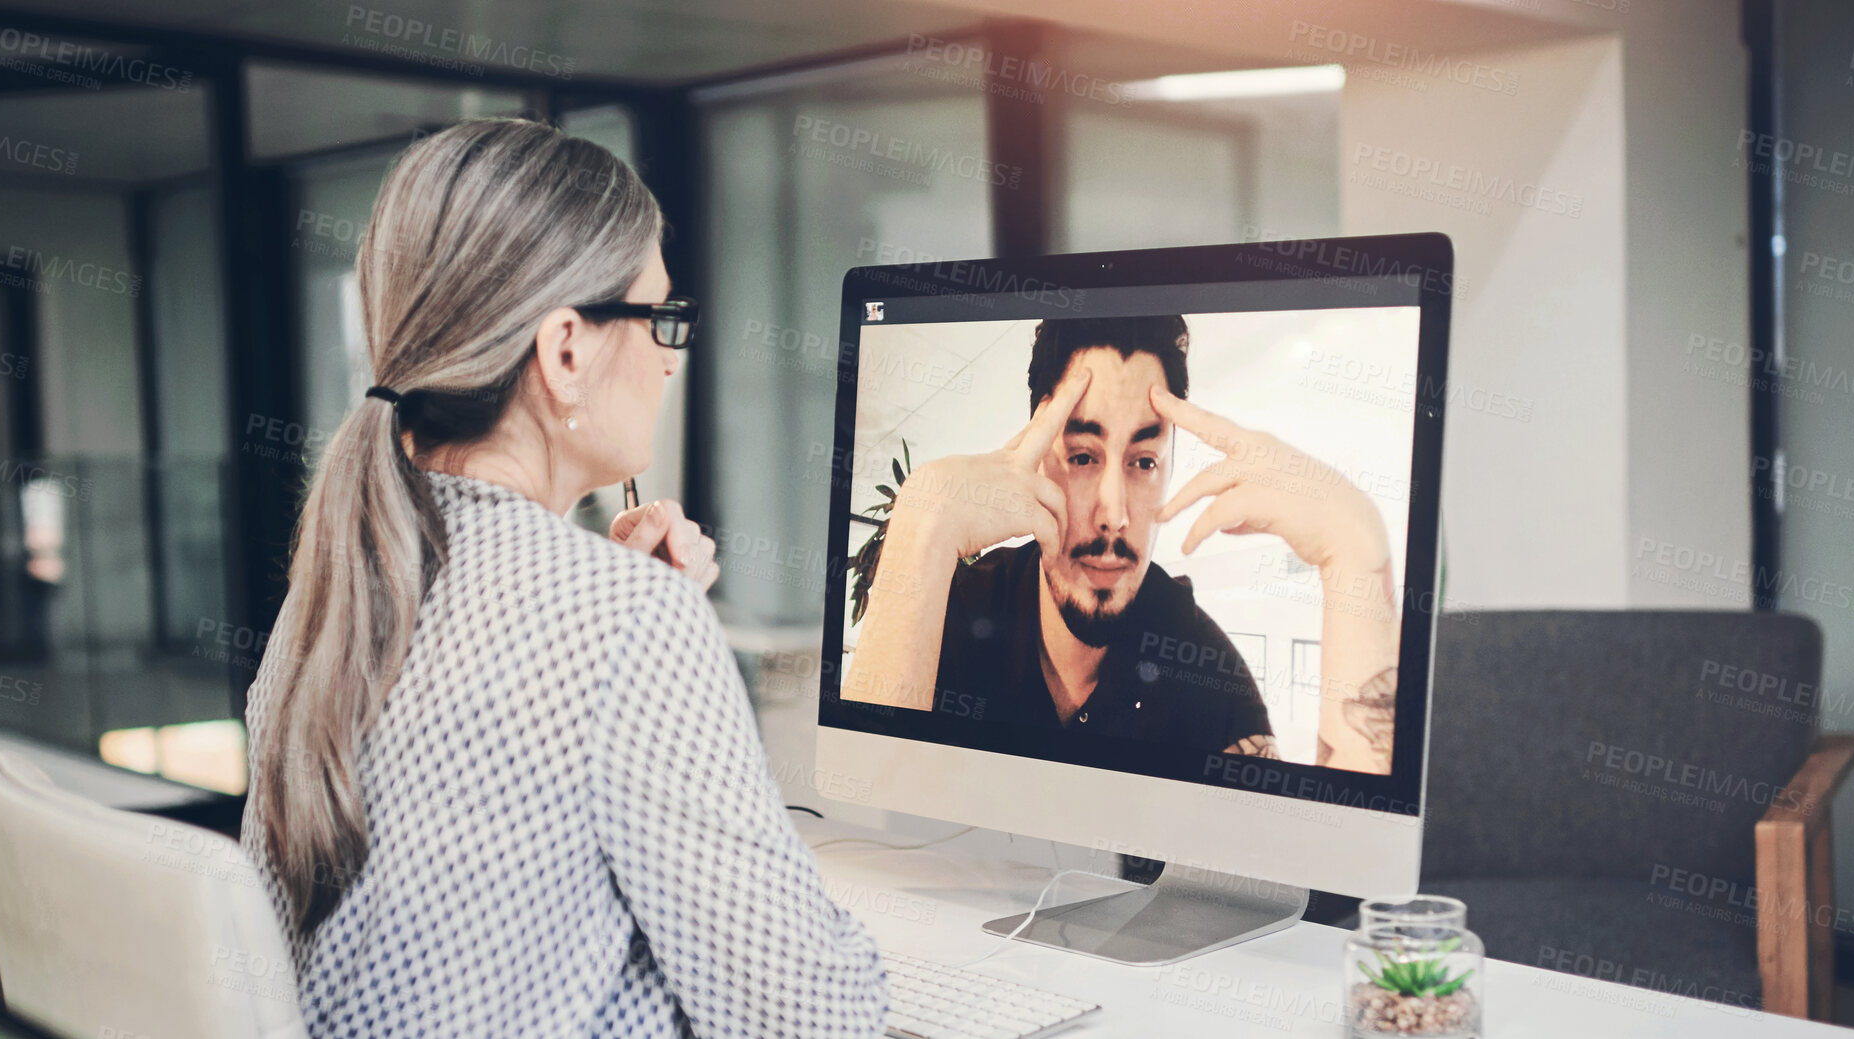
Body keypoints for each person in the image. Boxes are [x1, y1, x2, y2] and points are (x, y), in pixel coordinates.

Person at [238, 118, 886, 1038]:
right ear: (566, 350)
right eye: (660, 318)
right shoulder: (620, 622)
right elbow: (807, 1018)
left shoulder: (327, 601)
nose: (670, 357)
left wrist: (627, 624)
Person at [840, 315, 1401, 774]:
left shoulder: (1206, 669)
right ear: (1035, 456)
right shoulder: (958, 607)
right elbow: (864, 805)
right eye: (1083, 457)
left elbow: (1312, 877)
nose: (1114, 513)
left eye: (1143, 462)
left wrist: (1355, 555)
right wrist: (924, 515)